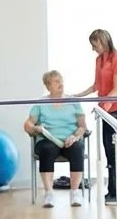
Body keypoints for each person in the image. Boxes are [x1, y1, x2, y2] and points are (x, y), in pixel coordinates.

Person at [74, 28, 117, 203]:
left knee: (115, 151)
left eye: (94, 45)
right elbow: (97, 85)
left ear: (103, 41)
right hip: (105, 110)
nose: (93, 48)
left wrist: (106, 107)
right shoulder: (99, 60)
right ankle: (112, 191)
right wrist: (78, 96)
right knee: (107, 150)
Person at [23, 70, 87, 208]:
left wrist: (75, 136)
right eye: (56, 81)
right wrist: (35, 128)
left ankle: (75, 192)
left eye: (61, 80)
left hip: (70, 139)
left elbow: (82, 127)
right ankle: (49, 193)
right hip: (48, 139)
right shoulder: (40, 103)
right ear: (47, 86)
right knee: (47, 149)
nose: (60, 83)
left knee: (77, 148)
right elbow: (27, 124)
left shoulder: (73, 102)